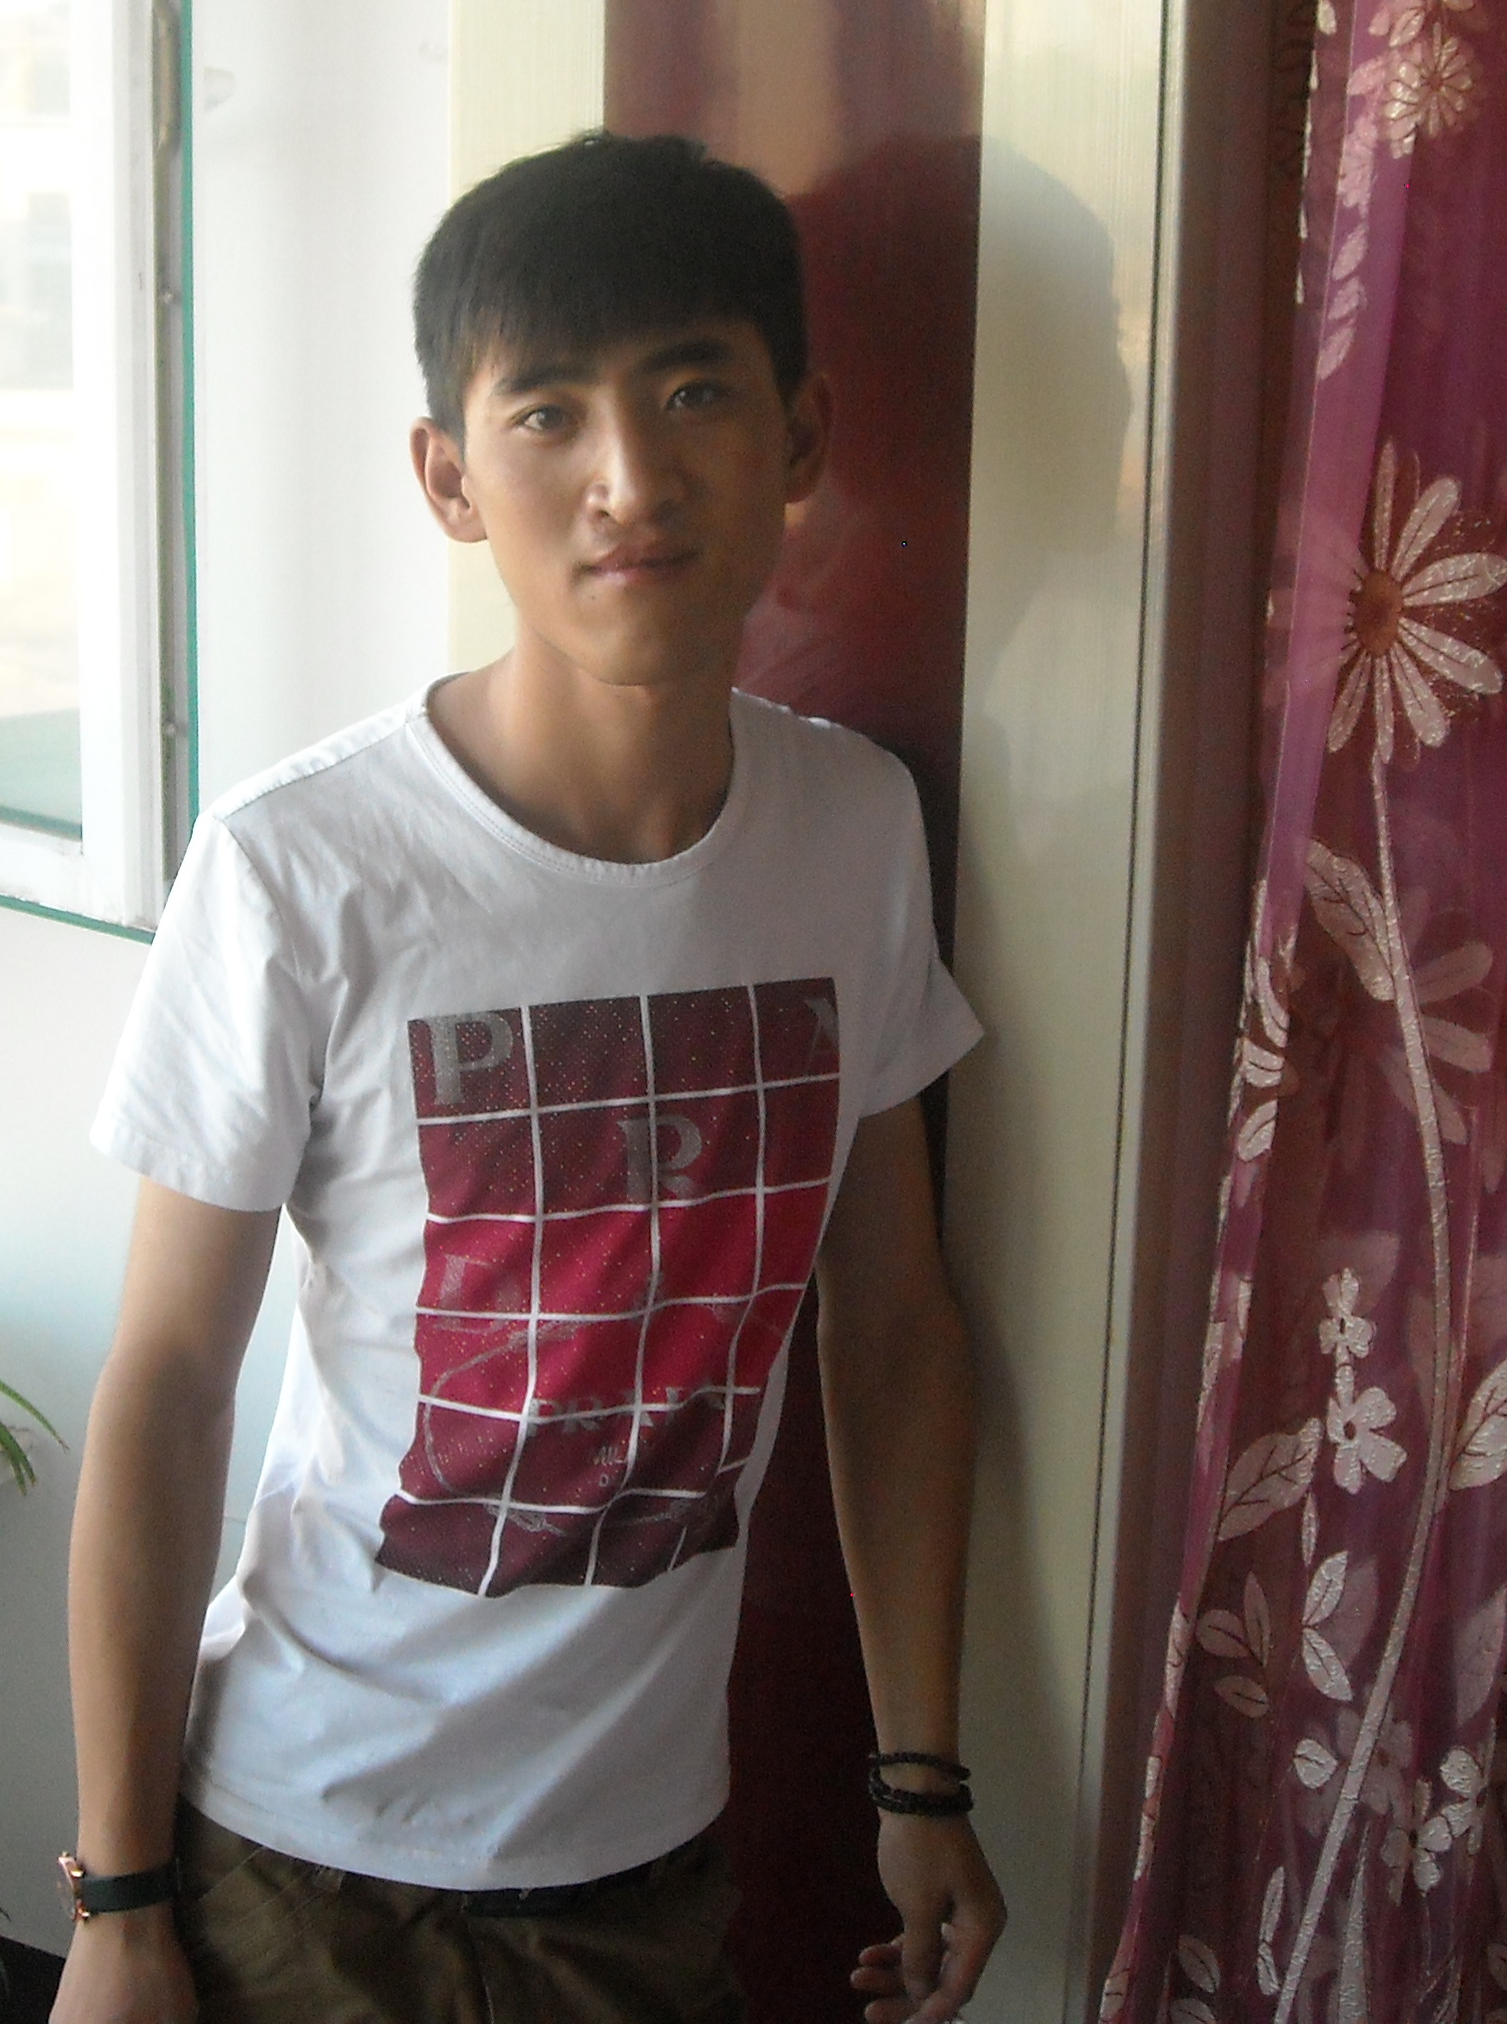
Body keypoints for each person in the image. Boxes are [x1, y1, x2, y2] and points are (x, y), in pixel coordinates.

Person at [53, 133, 1004, 2024]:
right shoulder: (301, 869)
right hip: (305, 1864)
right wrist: (119, 1901)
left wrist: (922, 1778)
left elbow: (892, 1329)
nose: (628, 479)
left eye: (694, 393)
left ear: (801, 434)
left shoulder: (853, 830)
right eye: (549, 414)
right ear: (450, 478)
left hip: (650, 1871)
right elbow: (166, 1386)